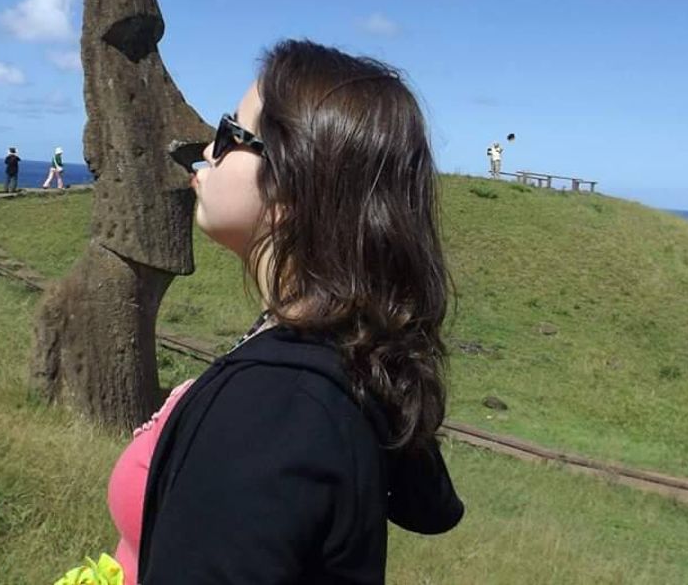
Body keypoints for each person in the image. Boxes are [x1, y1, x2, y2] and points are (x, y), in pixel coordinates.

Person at [112, 39, 464, 585]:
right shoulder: (342, 359)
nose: (208, 150)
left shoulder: (276, 407)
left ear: (294, 185)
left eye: (232, 136)